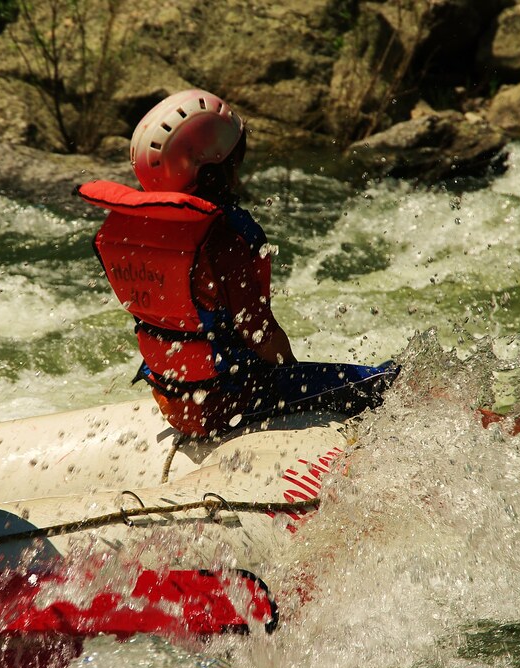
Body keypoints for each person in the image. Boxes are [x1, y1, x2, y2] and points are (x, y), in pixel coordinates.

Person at [77, 89, 398, 437]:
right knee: (383, 381)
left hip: (175, 400)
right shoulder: (221, 241)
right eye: (235, 160)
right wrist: (295, 378)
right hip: (232, 401)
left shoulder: (136, 231)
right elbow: (261, 334)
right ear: (213, 170)